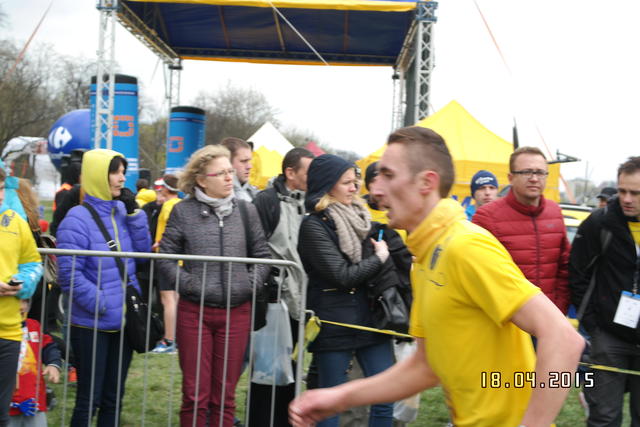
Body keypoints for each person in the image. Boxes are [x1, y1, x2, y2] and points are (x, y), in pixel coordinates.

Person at [289, 126, 585, 427]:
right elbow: (425, 366)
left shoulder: (465, 246)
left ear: (426, 183)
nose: (375, 190)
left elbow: (564, 339)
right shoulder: (426, 254)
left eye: (388, 175)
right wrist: (338, 398)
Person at [157, 144, 270, 427]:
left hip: (237, 312)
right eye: (220, 173)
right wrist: (190, 284)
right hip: (194, 312)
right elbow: (165, 257)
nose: (229, 177)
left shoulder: (246, 210)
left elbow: (262, 256)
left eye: (230, 171)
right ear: (201, 180)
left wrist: (248, 285)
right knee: (194, 395)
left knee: (225, 396)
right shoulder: (183, 211)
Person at [297, 154, 406, 427]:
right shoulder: (314, 225)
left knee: (385, 396)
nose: (354, 187)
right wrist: (380, 258)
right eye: (346, 182)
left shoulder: (362, 218)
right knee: (331, 403)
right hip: (335, 323)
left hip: (371, 318)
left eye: (355, 181)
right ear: (327, 185)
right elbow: (342, 275)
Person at [56, 149, 151, 427]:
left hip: (123, 322)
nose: (122, 179)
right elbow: (70, 276)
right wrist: (104, 303)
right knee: (89, 400)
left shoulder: (121, 210)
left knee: (114, 398)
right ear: (98, 175)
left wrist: (134, 214)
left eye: (123, 172)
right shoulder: (76, 219)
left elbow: (143, 255)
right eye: (115, 172)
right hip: (92, 324)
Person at [569, 156, 640, 427]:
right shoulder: (600, 222)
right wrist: (594, 325)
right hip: (609, 336)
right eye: (622, 191)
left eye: (635, 193)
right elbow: (578, 274)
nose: (627, 199)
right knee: (604, 417)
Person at [249, 147, 314, 426]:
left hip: (303, 301)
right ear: (290, 172)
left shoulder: (311, 202)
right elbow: (256, 248)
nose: (314, 178)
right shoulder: (266, 201)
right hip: (276, 301)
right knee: (267, 371)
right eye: (309, 172)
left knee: (293, 372)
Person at [472, 147, 571, 314]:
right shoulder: (486, 217)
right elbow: (476, 274)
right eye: (526, 172)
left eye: (540, 172)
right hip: (506, 319)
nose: (534, 178)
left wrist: (558, 308)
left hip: (548, 318)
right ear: (511, 178)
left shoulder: (555, 212)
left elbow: (564, 266)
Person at [0, 167, 43, 427]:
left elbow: (32, 263)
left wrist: (23, 284)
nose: (0, 195)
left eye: (1, 188)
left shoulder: (14, 221)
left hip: (9, 332)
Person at [9, 299, 62, 426]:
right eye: (15, 301)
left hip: (34, 402)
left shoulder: (34, 326)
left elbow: (48, 346)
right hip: (7, 406)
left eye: (25, 301)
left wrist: (53, 364)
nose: (21, 306)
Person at [149, 174, 181, 354]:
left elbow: (171, 229)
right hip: (178, 258)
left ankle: (169, 340)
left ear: (167, 189)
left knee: (168, 299)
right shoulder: (180, 204)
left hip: (168, 257)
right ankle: (175, 339)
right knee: (174, 299)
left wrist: (159, 242)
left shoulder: (169, 206)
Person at [221, 137, 258, 202]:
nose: (249, 166)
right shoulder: (217, 196)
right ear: (227, 162)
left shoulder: (252, 192)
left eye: (249, 161)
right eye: (244, 161)